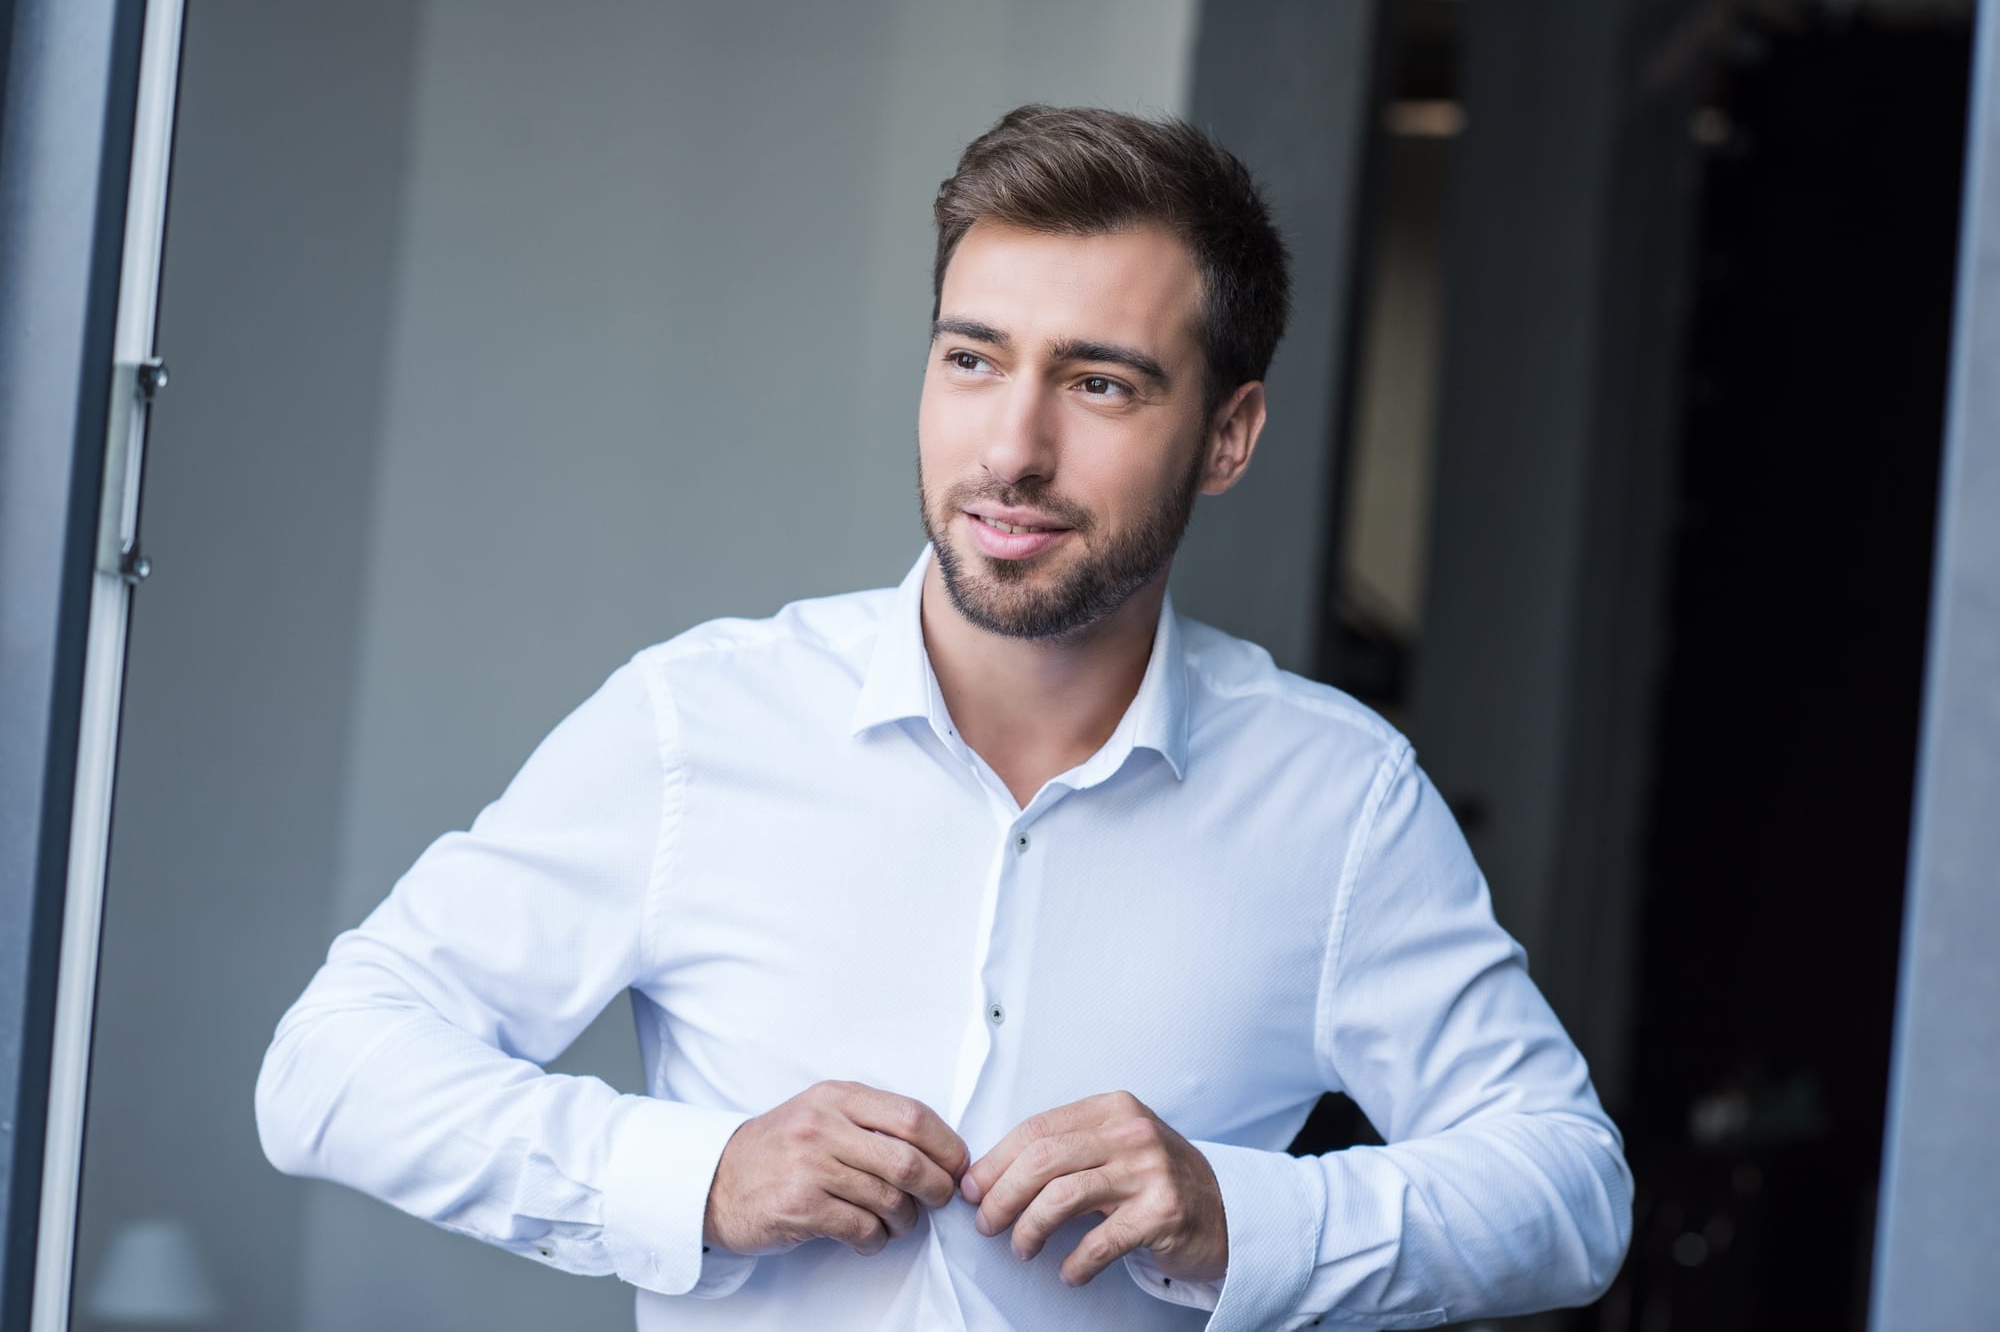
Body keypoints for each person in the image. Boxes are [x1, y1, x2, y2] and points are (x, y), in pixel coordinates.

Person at [256, 104, 1632, 1330]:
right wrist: (700, 1179)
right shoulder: (696, 725)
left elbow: (1569, 1190)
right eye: (973, 361)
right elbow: (332, 1066)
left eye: (1100, 384)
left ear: (1229, 434)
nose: (1011, 451)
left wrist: (1242, 1215)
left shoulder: (1338, 799)